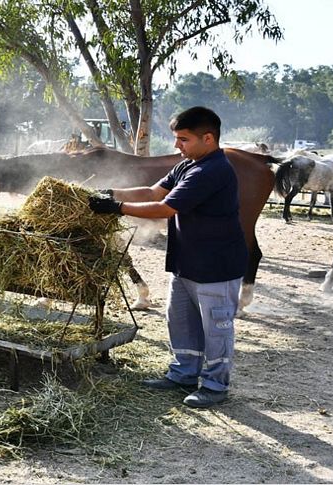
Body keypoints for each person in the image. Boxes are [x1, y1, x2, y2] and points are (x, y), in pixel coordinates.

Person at [88, 106, 246, 408]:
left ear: (208, 138)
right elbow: (151, 191)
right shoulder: (188, 164)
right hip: (187, 261)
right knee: (181, 322)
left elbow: (166, 208)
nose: (177, 146)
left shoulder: (212, 170)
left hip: (216, 266)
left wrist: (116, 208)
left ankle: (215, 386)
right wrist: (111, 192)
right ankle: (183, 373)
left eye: (183, 139)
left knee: (216, 327)